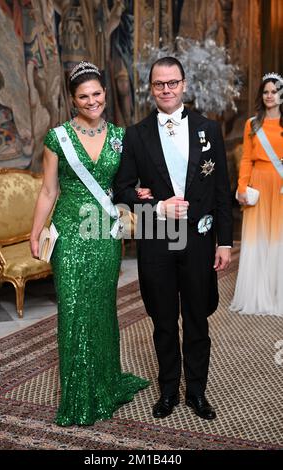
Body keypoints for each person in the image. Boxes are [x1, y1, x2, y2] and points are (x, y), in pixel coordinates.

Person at [30, 61, 150, 426]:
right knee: (73, 310)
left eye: (97, 93)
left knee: (101, 309)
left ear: (105, 94)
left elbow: (126, 183)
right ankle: (78, 395)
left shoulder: (120, 137)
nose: (92, 100)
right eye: (84, 96)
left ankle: (105, 382)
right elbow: (49, 190)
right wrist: (36, 231)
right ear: (73, 99)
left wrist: (137, 194)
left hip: (104, 233)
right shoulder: (58, 137)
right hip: (69, 233)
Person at [113, 57, 233, 421]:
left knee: (197, 318)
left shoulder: (207, 129)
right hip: (156, 237)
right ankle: (168, 391)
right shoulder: (135, 134)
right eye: (159, 84)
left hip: (197, 238)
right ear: (151, 88)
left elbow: (221, 189)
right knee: (163, 320)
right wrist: (157, 205)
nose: (166, 89)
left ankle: (196, 391)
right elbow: (121, 189)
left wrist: (224, 242)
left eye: (172, 82)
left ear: (184, 84)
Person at [231, 73, 283, 316]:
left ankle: (277, 294)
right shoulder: (252, 124)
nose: (270, 95)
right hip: (259, 184)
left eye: (274, 91)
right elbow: (246, 158)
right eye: (266, 92)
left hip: (281, 184)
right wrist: (242, 187)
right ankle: (257, 295)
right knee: (258, 237)